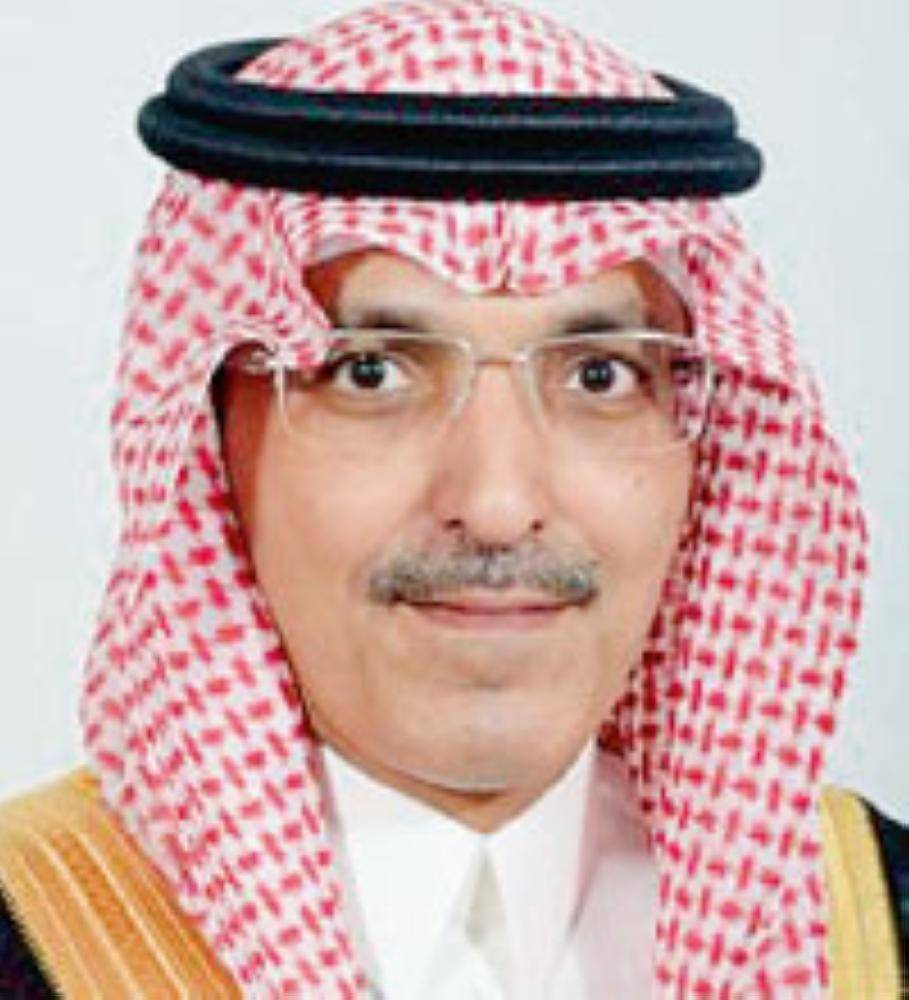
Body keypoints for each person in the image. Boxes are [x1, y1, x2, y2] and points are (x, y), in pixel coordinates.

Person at [0, 0, 906, 996]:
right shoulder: (35, 931)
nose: (498, 502)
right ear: (209, 443)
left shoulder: (872, 926)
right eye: (371, 373)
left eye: (599, 375)